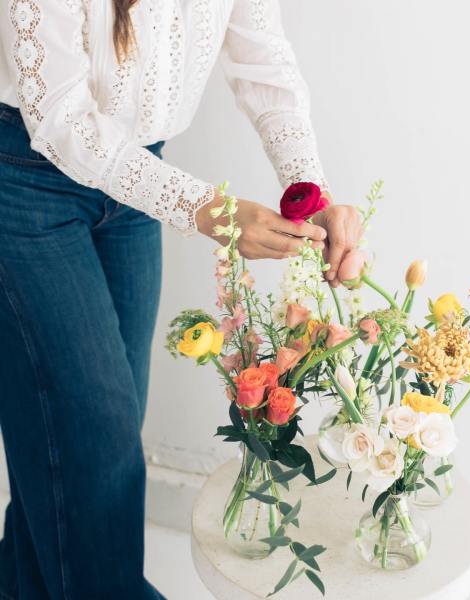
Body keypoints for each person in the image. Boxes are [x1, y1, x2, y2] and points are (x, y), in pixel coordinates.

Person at [0, 1, 361, 597]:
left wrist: (308, 192)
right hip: (25, 179)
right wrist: (210, 211)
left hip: (136, 179)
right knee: (94, 438)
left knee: (73, 434)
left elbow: (264, 63)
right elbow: (61, 118)